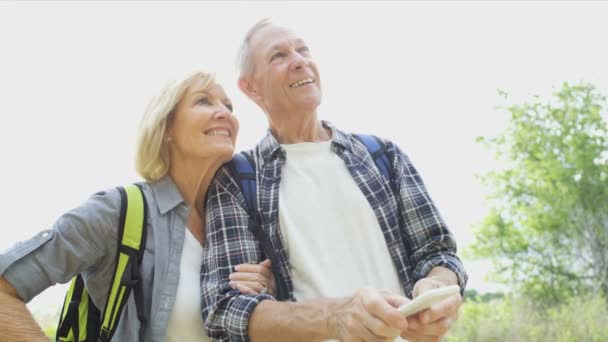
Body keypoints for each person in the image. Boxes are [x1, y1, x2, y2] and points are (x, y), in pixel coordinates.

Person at [200, 20, 468, 342]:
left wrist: (436, 290)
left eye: (303, 49)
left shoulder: (383, 155)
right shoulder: (238, 178)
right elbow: (226, 310)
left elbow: (437, 252)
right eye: (278, 56)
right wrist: (335, 317)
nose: (299, 60)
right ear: (251, 88)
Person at [0, 71, 276, 342]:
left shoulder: (245, 218)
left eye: (228, 105)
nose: (225, 113)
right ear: (166, 127)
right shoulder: (116, 212)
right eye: (204, 101)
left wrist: (268, 293)